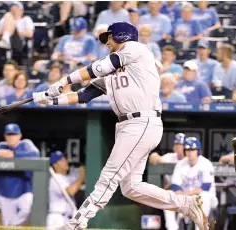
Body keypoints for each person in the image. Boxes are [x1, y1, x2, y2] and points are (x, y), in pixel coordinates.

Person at [32, 22, 209, 230]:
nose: (107, 42)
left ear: (122, 36)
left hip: (141, 121)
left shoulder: (136, 49)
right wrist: (50, 99)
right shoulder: (113, 68)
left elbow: (97, 67)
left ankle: (77, 223)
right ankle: (185, 204)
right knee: (131, 187)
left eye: (109, 37)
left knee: (109, 176)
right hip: (130, 125)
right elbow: (84, 95)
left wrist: (63, 80)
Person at [0, 123, 40, 226]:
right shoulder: (2, 146)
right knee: (7, 224)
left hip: (24, 191)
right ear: (5, 136)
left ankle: (12, 227)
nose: (11, 137)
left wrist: (14, 154)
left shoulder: (26, 144)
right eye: (9, 135)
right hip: (5, 193)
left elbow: (35, 154)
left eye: (14, 134)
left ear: (20, 135)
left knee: (26, 210)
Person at [165, 137, 218, 230]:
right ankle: (172, 228)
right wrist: (183, 196)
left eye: (192, 149)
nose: (190, 152)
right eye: (187, 149)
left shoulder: (206, 163)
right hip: (185, 198)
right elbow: (175, 186)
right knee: (169, 195)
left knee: (203, 196)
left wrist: (185, 194)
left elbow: (205, 187)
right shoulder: (180, 164)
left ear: (198, 151)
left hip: (207, 198)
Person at [47, 151, 86, 227]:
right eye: (61, 161)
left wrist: (82, 171)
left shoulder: (68, 178)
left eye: (65, 159)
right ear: (55, 165)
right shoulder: (55, 178)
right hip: (57, 218)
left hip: (68, 218)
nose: (65, 162)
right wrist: (82, 177)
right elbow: (71, 191)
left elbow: (78, 180)